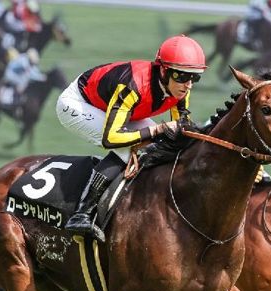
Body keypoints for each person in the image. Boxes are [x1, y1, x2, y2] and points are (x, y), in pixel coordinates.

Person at [55, 35, 207, 241]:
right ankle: (82, 214)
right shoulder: (133, 86)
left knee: (157, 145)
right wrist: (157, 130)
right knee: (126, 149)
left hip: (121, 109)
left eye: (194, 78)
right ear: (164, 71)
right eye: (181, 76)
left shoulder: (180, 88)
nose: (188, 85)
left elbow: (181, 132)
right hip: (79, 104)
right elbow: (111, 139)